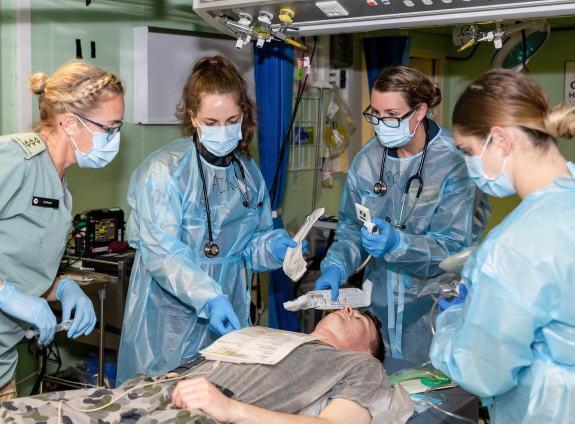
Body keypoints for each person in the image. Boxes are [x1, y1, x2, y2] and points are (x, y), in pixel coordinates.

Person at [117, 55, 304, 385]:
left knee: (222, 397)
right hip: (167, 320)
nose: (223, 130)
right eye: (212, 122)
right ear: (193, 117)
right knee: (161, 403)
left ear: (243, 114)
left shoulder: (247, 173)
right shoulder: (164, 172)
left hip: (227, 314)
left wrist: (273, 247)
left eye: (232, 120)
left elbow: (247, 249)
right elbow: (163, 255)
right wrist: (209, 297)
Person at [316, 65, 490, 364]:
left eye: (393, 115)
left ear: (420, 111)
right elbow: (349, 227)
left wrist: (399, 244)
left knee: (433, 396)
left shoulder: (455, 161)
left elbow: (454, 247)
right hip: (379, 309)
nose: (382, 123)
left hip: (435, 307)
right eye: (377, 114)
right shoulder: (368, 160)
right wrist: (336, 265)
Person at [430, 69, 575, 423]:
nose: (469, 166)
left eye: (467, 151)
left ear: (500, 140)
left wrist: (453, 321)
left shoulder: (513, 247)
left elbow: (482, 371)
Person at [1, 307, 414, 423]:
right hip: (144, 392)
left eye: (359, 318)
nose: (346, 307)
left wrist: (231, 410)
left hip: (202, 414)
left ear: (366, 350)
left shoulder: (358, 368)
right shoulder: (270, 334)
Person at [0, 61, 125, 400]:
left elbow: (19, 269)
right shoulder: (15, 158)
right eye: (110, 127)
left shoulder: (60, 188)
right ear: (71, 123)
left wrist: (60, 287)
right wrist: (7, 296)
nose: (116, 137)